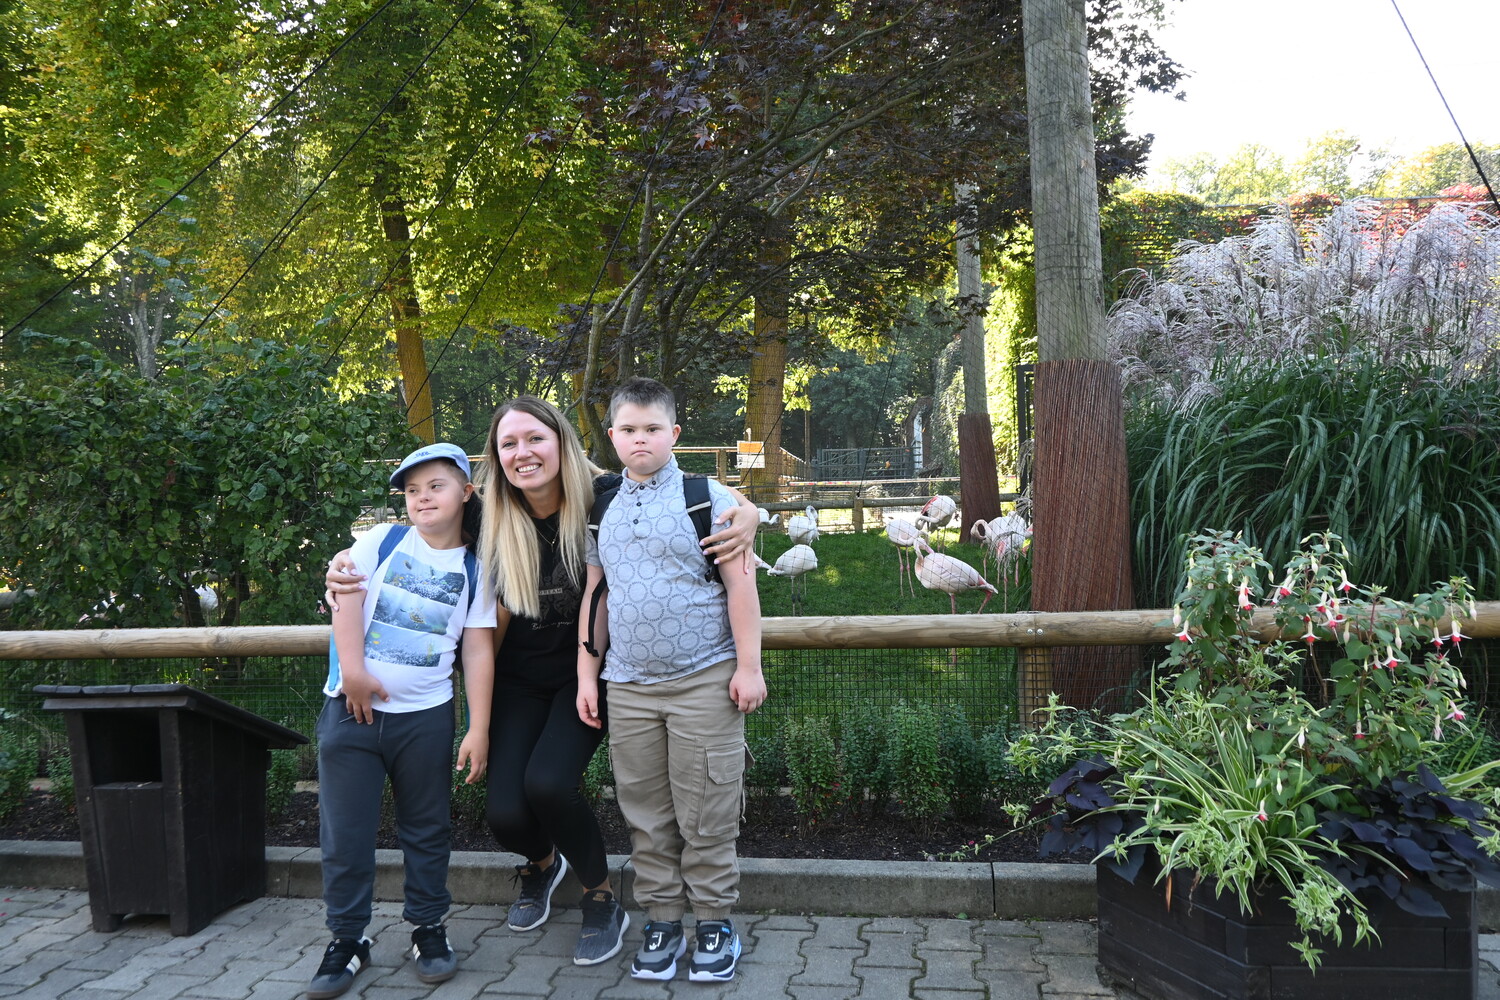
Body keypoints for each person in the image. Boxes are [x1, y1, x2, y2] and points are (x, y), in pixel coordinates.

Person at [325, 398, 758, 968]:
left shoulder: (603, 496)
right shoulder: (486, 513)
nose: (523, 453)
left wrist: (752, 512)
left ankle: (600, 897)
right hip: (516, 678)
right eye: (509, 444)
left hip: (589, 675)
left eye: (535, 438)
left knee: (549, 785)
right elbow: (421, 531)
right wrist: (342, 566)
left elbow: (681, 491)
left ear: (561, 442)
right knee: (505, 811)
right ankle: (542, 864)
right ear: (496, 457)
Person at [576, 377, 766, 983]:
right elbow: (596, 594)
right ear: (612, 436)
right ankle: (661, 919)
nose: (641, 439)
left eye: (653, 429)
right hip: (628, 686)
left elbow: (741, 587)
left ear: (674, 433)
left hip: (704, 680)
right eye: (629, 429)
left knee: (707, 809)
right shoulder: (600, 506)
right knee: (646, 813)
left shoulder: (706, 497)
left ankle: (713, 921)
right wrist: (587, 674)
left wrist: (749, 667)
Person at [310, 443, 496, 999]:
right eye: (413, 490)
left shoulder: (476, 568)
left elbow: (477, 650)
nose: (422, 498)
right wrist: (353, 673)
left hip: (426, 719)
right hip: (350, 715)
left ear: (465, 491)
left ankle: (428, 928)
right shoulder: (381, 541)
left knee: (427, 827)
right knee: (346, 833)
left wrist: (478, 727)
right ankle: (347, 938)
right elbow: (344, 597)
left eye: (436, 486)